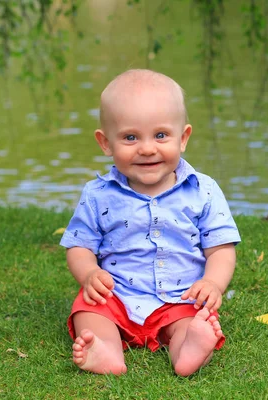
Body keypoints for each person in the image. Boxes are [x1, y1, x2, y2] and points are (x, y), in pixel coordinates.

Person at [59, 69, 241, 376]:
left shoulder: (203, 190)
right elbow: (79, 246)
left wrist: (212, 283)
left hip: (180, 298)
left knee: (192, 321)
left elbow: (221, 248)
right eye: (130, 137)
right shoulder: (98, 195)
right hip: (116, 297)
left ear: (183, 138)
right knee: (88, 311)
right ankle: (104, 350)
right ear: (106, 143)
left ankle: (190, 349)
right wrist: (89, 273)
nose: (146, 148)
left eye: (160, 135)